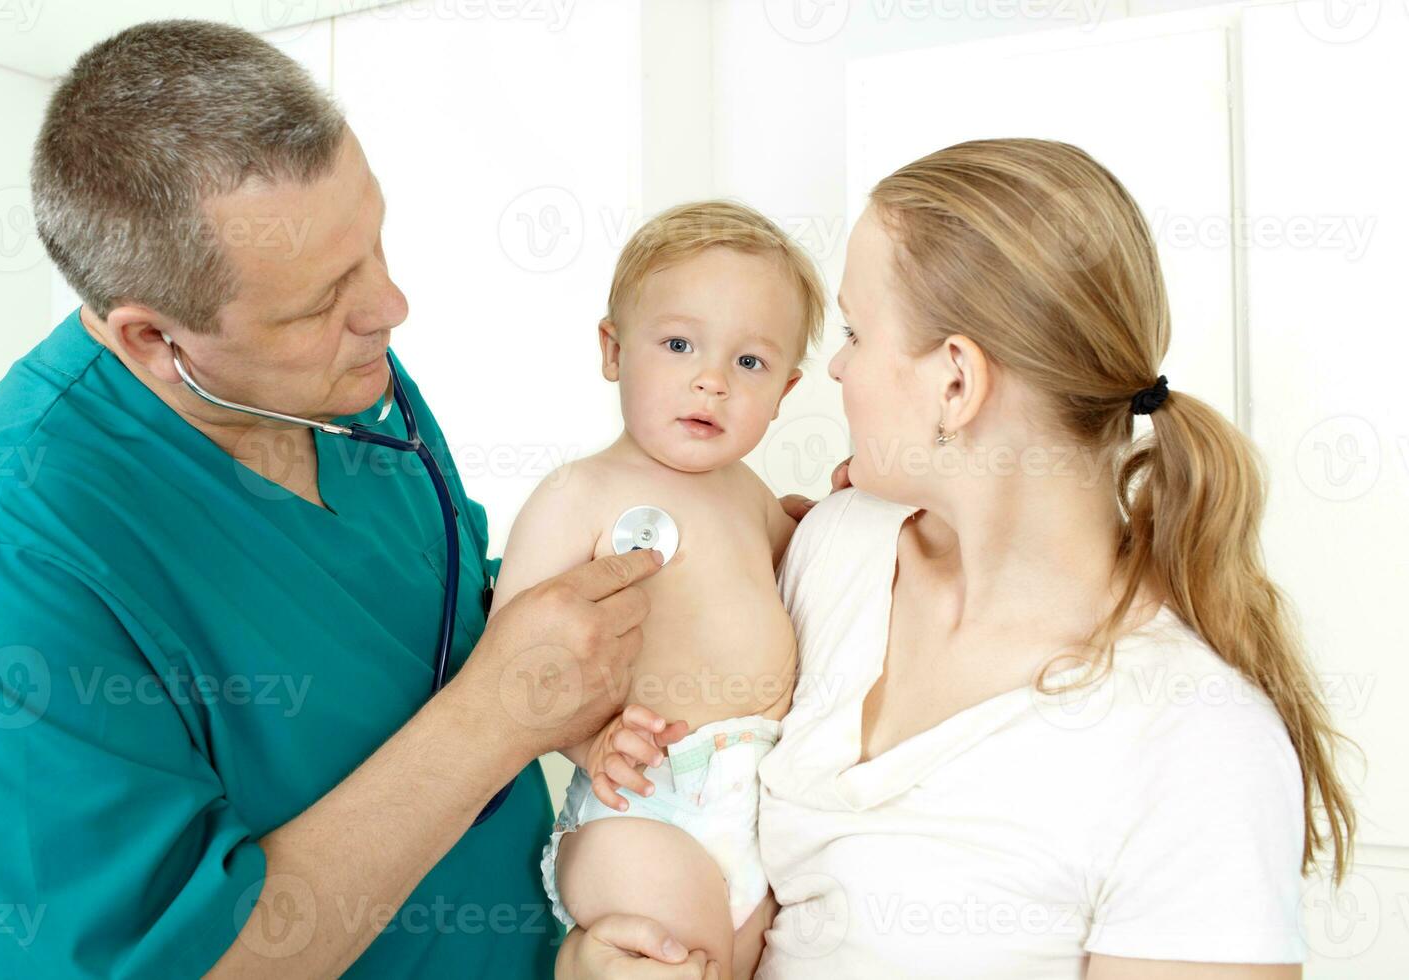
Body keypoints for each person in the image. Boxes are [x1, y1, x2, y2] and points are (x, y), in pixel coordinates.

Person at [0, 20, 777, 978]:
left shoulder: (346, 381)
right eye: (322, 301)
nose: (390, 308)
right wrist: (495, 716)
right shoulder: (9, 556)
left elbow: (404, 613)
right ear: (153, 340)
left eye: (375, 245)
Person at [561, 139, 1356, 979]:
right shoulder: (834, 553)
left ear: (955, 383)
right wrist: (591, 961)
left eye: (859, 333)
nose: (833, 367)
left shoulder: (1196, 744)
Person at [489, 201, 823, 977]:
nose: (711, 381)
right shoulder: (579, 493)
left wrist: (840, 509)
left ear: (786, 389)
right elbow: (510, 668)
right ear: (613, 349)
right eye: (678, 344)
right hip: (642, 806)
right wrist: (587, 741)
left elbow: (803, 572)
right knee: (673, 962)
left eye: (750, 363)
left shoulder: (749, 495)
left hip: (754, 811)